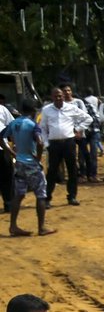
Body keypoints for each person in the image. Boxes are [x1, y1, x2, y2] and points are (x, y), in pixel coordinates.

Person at [0, 98, 54, 235]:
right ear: (34, 110)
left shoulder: (14, 123)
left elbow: (1, 137)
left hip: (19, 163)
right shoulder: (32, 124)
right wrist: (37, 157)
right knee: (41, 194)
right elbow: (40, 143)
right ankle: (41, 227)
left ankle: (13, 226)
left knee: (18, 195)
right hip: (32, 164)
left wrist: (11, 152)